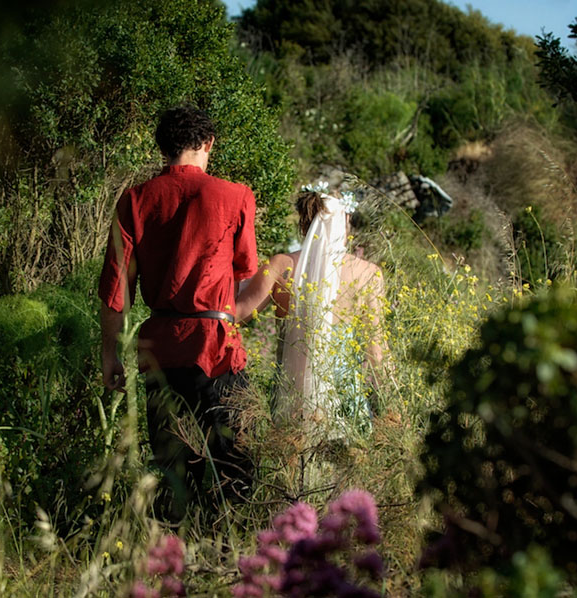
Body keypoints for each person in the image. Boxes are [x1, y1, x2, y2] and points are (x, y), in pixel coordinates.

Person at [98, 104, 258, 521]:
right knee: (234, 464)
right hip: (214, 347)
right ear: (208, 144)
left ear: (164, 148)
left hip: (160, 349)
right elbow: (245, 267)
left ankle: (171, 556)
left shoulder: (134, 200)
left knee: (173, 470)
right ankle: (230, 551)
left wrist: (109, 355)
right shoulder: (235, 196)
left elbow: (116, 293)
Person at [236, 184, 386, 443]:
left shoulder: (282, 266)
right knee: (347, 471)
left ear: (303, 224)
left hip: (291, 390)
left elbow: (235, 314)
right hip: (345, 391)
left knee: (293, 471)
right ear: (346, 221)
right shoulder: (367, 274)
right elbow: (377, 348)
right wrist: (390, 401)